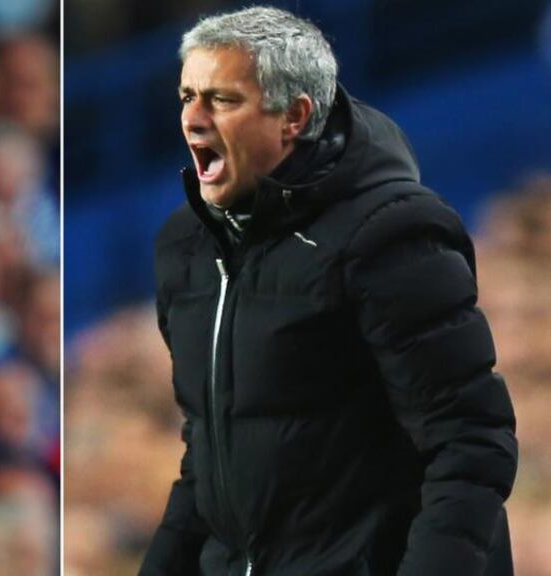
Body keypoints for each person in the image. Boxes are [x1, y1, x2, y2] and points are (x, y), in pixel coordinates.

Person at [141, 7, 517, 576]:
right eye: (186, 96)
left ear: (293, 116)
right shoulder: (185, 247)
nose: (192, 119)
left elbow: (470, 445)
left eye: (221, 99)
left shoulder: (391, 233)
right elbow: (211, 455)